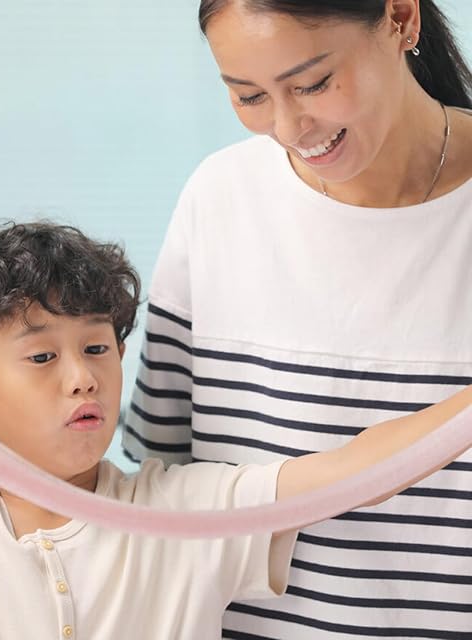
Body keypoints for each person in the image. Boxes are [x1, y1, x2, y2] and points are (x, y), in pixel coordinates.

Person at [0, 221, 469, 640]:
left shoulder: (182, 513)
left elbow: (357, 471)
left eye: (98, 348)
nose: (82, 379)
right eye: (42, 356)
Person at [124, 0, 472, 638]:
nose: (288, 127)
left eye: (312, 83)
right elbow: (163, 478)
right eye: (250, 96)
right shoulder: (220, 199)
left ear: (401, 19)